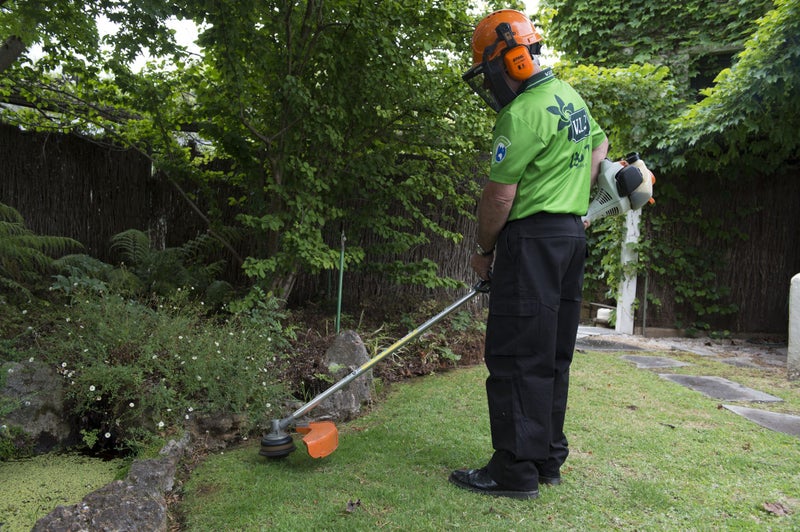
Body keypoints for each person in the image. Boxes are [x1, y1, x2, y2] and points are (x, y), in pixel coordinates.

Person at [449, 9, 609, 500]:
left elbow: (499, 198)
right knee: (553, 354)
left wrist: (483, 251)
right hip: (570, 240)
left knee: (518, 354)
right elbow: (600, 147)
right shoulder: (569, 96)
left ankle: (514, 472)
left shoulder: (519, 114)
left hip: (532, 243)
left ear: (509, 62)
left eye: (489, 70)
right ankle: (546, 460)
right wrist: (573, 203)